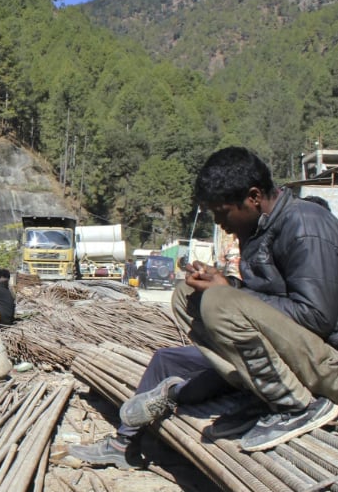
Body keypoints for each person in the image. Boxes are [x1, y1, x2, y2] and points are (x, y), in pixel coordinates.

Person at [70, 147, 338, 468]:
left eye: (222, 213)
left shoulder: (306, 226)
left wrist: (227, 293)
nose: (220, 224)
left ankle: (294, 406)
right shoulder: (261, 228)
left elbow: (317, 316)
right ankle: (260, 393)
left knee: (216, 301)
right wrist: (227, 285)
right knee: (188, 294)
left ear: (253, 197)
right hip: (300, 357)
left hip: (327, 367)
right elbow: (272, 306)